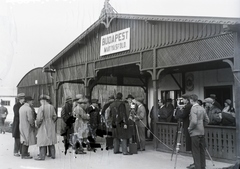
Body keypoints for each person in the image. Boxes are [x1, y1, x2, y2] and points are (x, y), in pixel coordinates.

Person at [188, 94, 209, 169]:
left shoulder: (193, 108)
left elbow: (193, 121)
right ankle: (203, 166)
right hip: (201, 132)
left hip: (195, 133)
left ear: (191, 100)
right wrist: (202, 126)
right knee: (202, 150)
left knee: (196, 151)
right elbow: (207, 120)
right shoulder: (202, 108)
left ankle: (198, 167)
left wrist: (190, 128)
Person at [35, 94, 57, 160]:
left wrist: (37, 124)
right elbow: (55, 116)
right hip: (51, 124)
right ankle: (52, 155)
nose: (40, 102)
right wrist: (52, 122)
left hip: (43, 124)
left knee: (43, 140)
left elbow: (39, 118)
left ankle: (42, 156)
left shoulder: (41, 108)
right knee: (51, 139)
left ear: (43, 100)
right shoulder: (52, 107)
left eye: (40, 100)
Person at [175, 94, 193, 168]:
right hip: (188, 125)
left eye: (183, 99)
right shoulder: (189, 106)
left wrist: (179, 108)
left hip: (188, 126)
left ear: (187, 99)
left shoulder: (188, 106)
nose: (183, 101)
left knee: (192, 145)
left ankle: (196, 162)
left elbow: (181, 115)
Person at [12, 93, 25, 157]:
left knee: (22, 137)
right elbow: (17, 114)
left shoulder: (24, 105)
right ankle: (16, 151)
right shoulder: (16, 106)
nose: (23, 100)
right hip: (17, 123)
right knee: (17, 137)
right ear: (19, 99)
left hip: (22, 123)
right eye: (22, 98)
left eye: (23, 98)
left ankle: (21, 150)